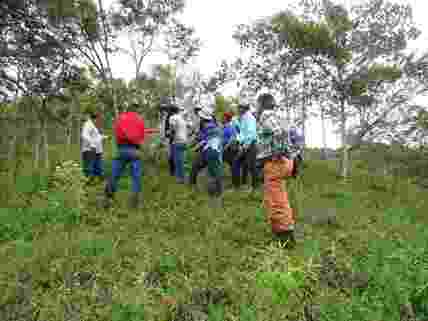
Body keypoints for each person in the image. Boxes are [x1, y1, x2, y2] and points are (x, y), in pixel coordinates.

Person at [256, 93, 298, 248]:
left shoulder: (267, 117)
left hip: (276, 162)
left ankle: (285, 238)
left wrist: (279, 153)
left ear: (261, 104)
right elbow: (294, 135)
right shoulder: (280, 116)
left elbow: (279, 132)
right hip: (283, 161)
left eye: (257, 104)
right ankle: (280, 231)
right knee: (276, 198)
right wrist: (293, 155)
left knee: (276, 201)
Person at [104, 103, 158, 209]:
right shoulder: (139, 120)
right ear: (136, 110)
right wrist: (144, 148)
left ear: (127, 109)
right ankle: (134, 200)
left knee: (115, 175)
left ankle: (108, 198)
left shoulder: (120, 118)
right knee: (136, 178)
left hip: (122, 149)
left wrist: (120, 146)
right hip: (135, 151)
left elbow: (117, 134)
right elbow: (141, 137)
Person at [198, 107, 224, 205]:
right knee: (215, 172)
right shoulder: (214, 126)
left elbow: (202, 139)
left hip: (211, 150)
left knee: (213, 173)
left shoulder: (207, 127)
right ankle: (216, 195)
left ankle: (216, 196)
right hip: (215, 150)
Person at [235, 99, 258, 191]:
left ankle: (254, 187)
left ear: (244, 108)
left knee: (251, 166)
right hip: (245, 144)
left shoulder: (249, 118)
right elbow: (242, 133)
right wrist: (238, 141)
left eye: (239, 107)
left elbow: (251, 134)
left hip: (250, 145)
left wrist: (244, 146)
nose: (238, 109)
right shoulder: (243, 117)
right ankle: (241, 185)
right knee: (240, 164)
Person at [81, 109, 105, 184]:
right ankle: (87, 182)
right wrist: (91, 144)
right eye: (99, 119)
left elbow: (96, 137)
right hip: (89, 150)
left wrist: (104, 137)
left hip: (96, 150)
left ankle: (98, 181)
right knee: (89, 167)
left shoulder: (92, 125)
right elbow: (84, 135)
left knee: (97, 166)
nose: (99, 121)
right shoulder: (88, 124)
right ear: (96, 118)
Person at [169, 102, 188, 184]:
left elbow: (172, 129)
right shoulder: (181, 118)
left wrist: (170, 136)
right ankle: (183, 178)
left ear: (171, 111)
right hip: (184, 141)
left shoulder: (172, 117)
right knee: (181, 161)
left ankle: (180, 180)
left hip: (177, 141)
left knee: (177, 161)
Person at [222, 111, 241, 189]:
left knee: (234, 167)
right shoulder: (225, 126)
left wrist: (225, 147)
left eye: (223, 117)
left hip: (231, 149)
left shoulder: (231, 126)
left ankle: (236, 185)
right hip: (227, 149)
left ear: (226, 118)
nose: (222, 118)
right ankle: (234, 183)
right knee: (232, 166)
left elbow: (232, 138)